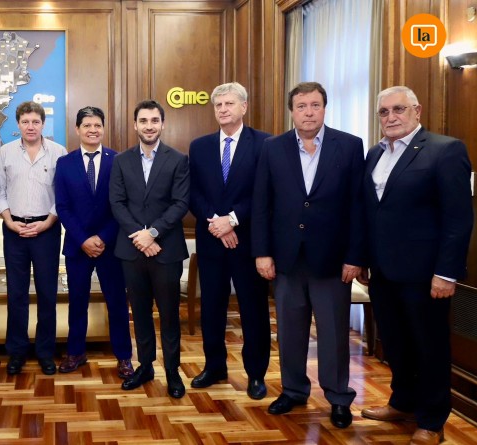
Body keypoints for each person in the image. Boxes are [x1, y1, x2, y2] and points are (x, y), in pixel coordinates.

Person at [360, 86, 472, 445]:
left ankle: (432, 420)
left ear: (417, 111)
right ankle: (402, 402)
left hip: (426, 275)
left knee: (429, 347)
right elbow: (371, 213)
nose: (390, 117)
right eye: (384, 111)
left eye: (399, 109)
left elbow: (458, 219)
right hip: (383, 271)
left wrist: (446, 273)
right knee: (396, 343)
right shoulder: (375, 153)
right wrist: (364, 260)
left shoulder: (445, 150)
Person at [251, 82, 365, 429]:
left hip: (332, 260)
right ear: (292, 112)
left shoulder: (349, 146)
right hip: (287, 258)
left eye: (315, 105)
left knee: (334, 333)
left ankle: (338, 397)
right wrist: (262, 253)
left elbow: (358, 206)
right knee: (289, 331)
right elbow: (261, 204)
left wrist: (355, 256)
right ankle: (294, 390)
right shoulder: (272, 148)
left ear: (325, 108)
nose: (309, 112)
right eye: (301, 106)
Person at [188, 82, 271, 399]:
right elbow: (193, 192)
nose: (223, 109)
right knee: (212, 308)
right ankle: (214, 367)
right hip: (212, 241)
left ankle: (256, 374)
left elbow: (265, 193)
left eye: (229, 103)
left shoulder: (265, 144)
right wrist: (216, 222)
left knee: (253, 310)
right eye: (218, 105)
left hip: (248, 242)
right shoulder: (199, 146)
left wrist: (233, 220)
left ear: (244, 107)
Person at [109, 99, 189, 398]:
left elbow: (180, 203)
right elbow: (117, 202)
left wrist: (153, 233)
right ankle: (145, 367)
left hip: (166, 251)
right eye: (143, 121)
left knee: (169, 315)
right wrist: (139, 236)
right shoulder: (121, 161)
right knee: (140, 313)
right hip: (132, 251)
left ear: (162, 124)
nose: (149, 126)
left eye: (155, 120)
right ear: (135, 125)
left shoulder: (178, 160)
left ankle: (172, 372)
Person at [54, 106, 134, 378]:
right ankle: (75, 352)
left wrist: (102, 237)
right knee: (77, 301)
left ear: (103, 128)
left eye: (97, 125)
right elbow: (62, 207)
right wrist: (83, 239)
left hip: (111, 245)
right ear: (77, 129)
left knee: (117, 302)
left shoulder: (118, 160)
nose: (92, 130)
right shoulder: (65, 163)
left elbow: (122, 204)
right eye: (87, 125)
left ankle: (124, 356)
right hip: (78, 246)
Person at [0, 101, 67, 375]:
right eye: (25, 122)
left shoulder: (58, 152)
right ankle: (17, 352)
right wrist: (9, 221)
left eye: (36, 122)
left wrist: (47, 222)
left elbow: (63, 195)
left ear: (43, 124)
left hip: (46, 230)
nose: (31, 126)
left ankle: (46, 352)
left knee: (47, 293)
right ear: (18, 124)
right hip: (14, 230)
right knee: (16, 294)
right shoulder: (6, 152)